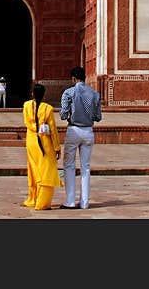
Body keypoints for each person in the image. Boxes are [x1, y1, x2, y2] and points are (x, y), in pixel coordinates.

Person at [60, 66, 102, 209]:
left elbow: (63, 115)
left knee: (69, 166)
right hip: (88, 131)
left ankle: (70, 201)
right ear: (84, 77)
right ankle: (85, 202)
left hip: (73, 130)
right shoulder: (95, 94)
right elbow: (98, 117)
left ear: (73, 78)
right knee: (86, 167)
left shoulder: (69, 92)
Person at [22, 83, 62, 210]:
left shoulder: (26, 105)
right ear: (44, 95)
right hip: (44, 143)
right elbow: (53, 130)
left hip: (32, 141)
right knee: (46, 171)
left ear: (32, 94)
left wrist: (35, 128)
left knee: (33, 171)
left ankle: (32, 198)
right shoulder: (48, 109)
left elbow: (27, 123)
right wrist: (57, 147)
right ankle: (42, 202)